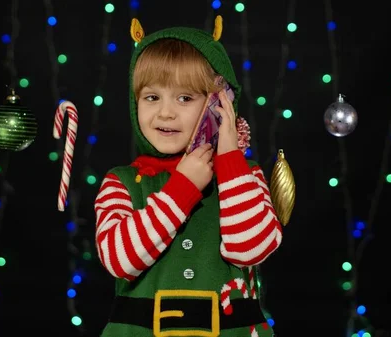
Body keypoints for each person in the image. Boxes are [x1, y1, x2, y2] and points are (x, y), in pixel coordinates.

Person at [94, 15, 283, 337]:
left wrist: (229, 157)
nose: (166, 112)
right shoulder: (123, 181)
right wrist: (183, 186)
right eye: (152, 97)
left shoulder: (245, 177)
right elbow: (119, 260)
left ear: (220, 103)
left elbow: (250, 248)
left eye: (185, 98)